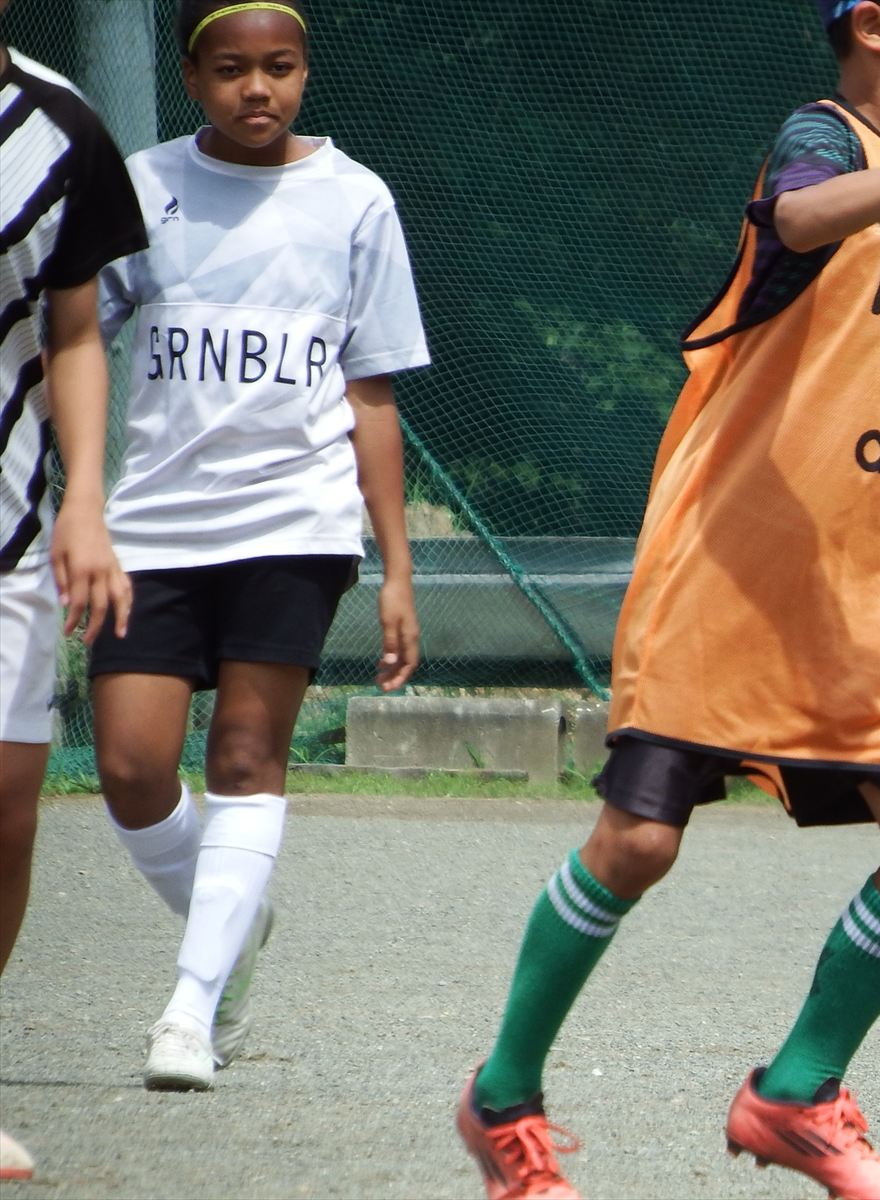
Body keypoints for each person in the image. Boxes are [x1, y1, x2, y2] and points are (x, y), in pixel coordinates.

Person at [456, 2, 880, 1197]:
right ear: (872, 25)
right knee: (636, 843)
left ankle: (794, 1093)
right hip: (730, 571)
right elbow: (799, 218)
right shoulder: (821, 141)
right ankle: (502, 1098)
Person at [92, 0, 428, 1092]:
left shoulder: (356, 198)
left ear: (305, 73)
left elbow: (371, 394)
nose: (257, 89)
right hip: (152, 525)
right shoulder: (141, 185)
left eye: (279, 67)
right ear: (193, 78)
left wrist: (397, 569)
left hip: (295, 522)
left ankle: (189, 1012)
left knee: (244, 755)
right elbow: (74, 339)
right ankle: (234, 923)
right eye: (232, 69)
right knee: (131, 767)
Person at [0, 12, 147, 1175]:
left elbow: (76, 325)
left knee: (6, 814)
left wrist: (85, 502)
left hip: (10, 527)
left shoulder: (60, 127)